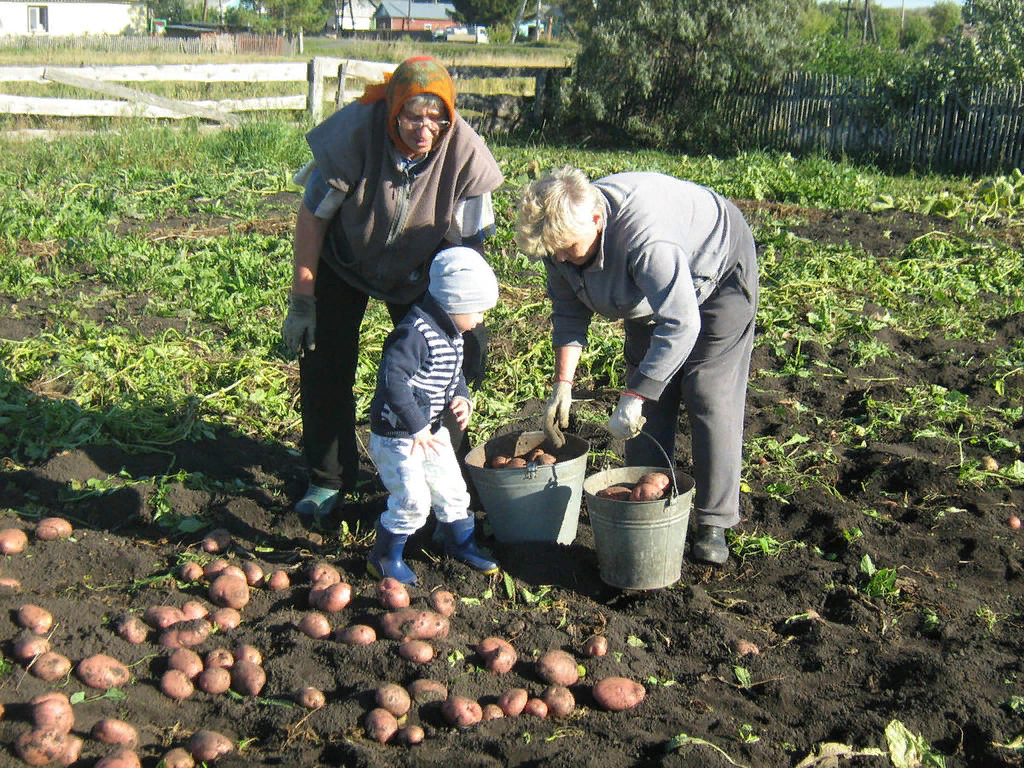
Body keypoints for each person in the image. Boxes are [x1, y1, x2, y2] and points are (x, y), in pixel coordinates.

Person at [281, 56, 504, 521]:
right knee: (325, 358)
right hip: (344, 259)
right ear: (392, 112)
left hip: (420, 271)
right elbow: (312, 216)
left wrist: (465, 316)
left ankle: (437, 471)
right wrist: (303, 299)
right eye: (412, 117)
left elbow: (471, 246)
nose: (425, 130)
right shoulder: (355, 136)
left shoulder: (465, 154)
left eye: (436, 119)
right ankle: (327, 477)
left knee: (443, 366)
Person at [515, 166, 759, 565]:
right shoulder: (558, 238)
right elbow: (568, 311)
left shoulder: (647, 239)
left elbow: (682, 322)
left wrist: (635, 393)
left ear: (596, 220)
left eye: (567, 248)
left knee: (707, 392)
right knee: (650, 398)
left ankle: (713, 521)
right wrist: (564, 383)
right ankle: (647, 504)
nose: (559, 257)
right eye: (552, 251)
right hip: (650, 293)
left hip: (716, 274)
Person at [366, 247, 500, 584]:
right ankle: (384, 557)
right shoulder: (414, 333)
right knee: (413, 499)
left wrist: (461, 396)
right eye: (478, 310)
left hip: (431, 429)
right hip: (399, 435)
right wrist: (416, 426)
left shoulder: (453, 333)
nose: (480, 319)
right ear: (454, 304)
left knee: (453, 489)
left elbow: (453, 373)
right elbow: (392, 380)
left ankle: (461, 545)